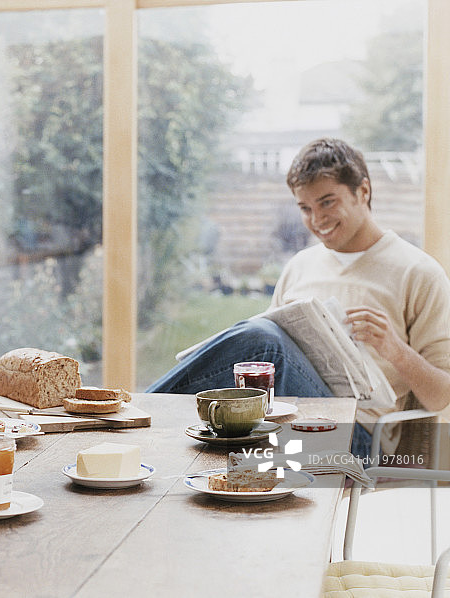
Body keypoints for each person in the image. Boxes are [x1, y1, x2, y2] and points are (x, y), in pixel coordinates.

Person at [147, 137, 450, 460]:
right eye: (305, 208)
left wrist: (395, 350)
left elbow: (440, 397)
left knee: (264, 341)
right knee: (257, 350)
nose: (317, 219)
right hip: (283, 425)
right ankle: (141, 424)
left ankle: (140, 413)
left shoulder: (418, 272)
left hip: (357, 441)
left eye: (327, 202)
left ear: (363, 192)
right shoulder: (300, 266)